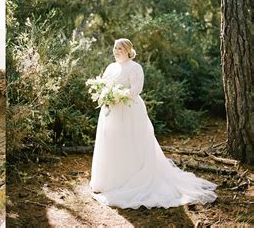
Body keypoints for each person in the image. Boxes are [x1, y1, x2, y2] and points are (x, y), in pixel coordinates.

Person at [90, 38, 217, 209]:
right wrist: (105, 95)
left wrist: (117, 95)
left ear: (128, 50)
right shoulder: (110, 67)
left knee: (130, 143)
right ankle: (110, 182)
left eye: (120, 48)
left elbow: (136, 90)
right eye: (115, 47)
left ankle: (130, 180)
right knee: (112, 143)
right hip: (110, 111)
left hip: (128, 110)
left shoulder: (135, 67)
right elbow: (104, 85)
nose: (116, 50)